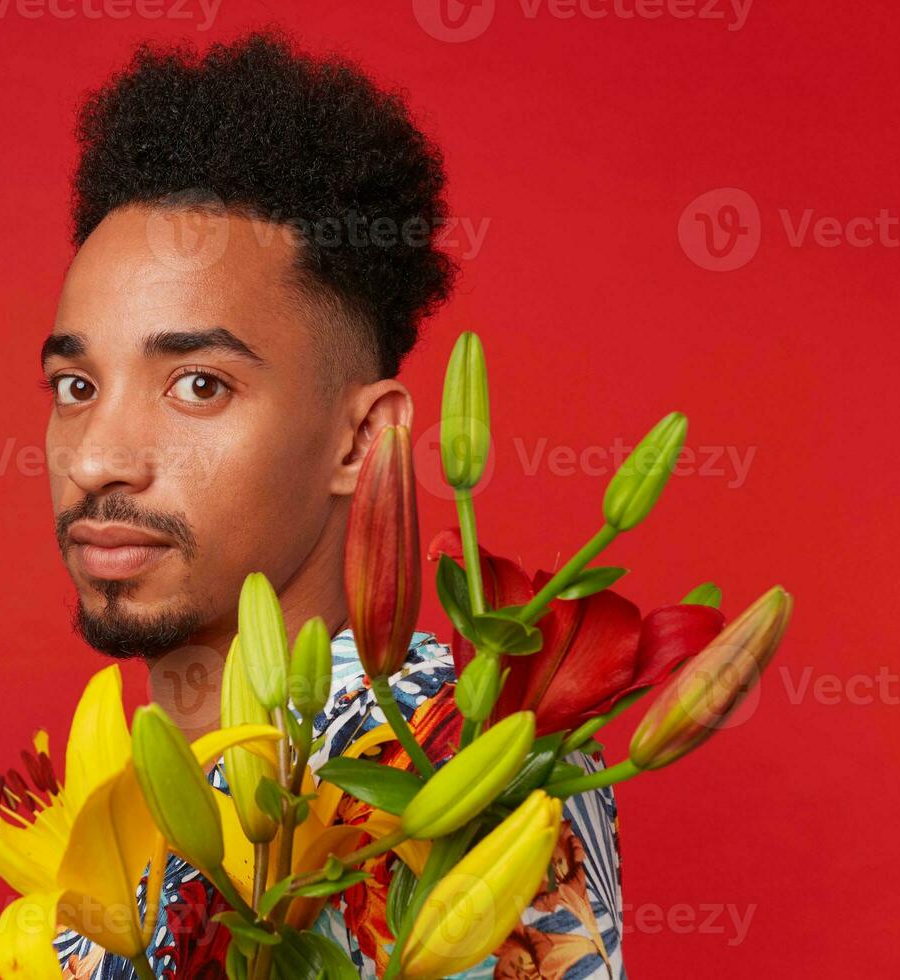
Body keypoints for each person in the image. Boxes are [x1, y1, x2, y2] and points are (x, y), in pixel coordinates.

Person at [41, 32, 624, 979]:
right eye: (75, 386)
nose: (99, 458)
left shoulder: (446, 761)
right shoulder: (121, 774)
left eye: (197, 384)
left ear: (362, 442)